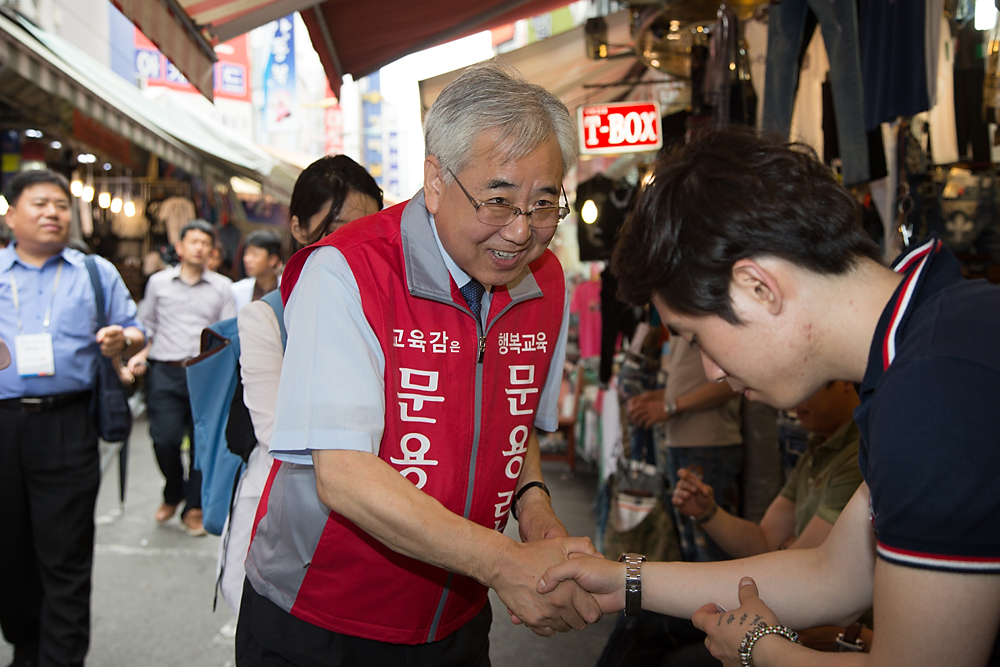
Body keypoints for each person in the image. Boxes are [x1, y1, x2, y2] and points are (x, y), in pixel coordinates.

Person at [538, 126, 1000, 667]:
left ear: (758, 286)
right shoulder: (929, 337)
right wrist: (626, 581)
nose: (711, 372)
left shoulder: (935, 386)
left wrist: (762, 650)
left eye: (695, 336)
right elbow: (835, 572)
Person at [237, 62, 601, 666]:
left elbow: (513, 426)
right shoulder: (345, 272)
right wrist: (505, 561)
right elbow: (344, 473)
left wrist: (535, 511)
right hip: (324, 619)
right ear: (435, 180)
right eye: (498, 200)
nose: (521, 231)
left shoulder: (546, 283)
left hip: (456, 617)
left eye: (543, 204)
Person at [215, 155, 384, 616]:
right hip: (286, 503)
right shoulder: (266, 315)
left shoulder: (387, 306)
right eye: (337, 227)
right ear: (299, 228)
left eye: (369, 226)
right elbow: (276, 432)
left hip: (374, 502)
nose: (354, 241)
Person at [596, 381, 865, 667]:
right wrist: (708, 513)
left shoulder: (859, 459)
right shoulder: (819, 448)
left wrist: (627, 580)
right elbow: (766, 541)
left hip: (805, 621)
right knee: (642, 623)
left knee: (655, 637)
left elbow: (810, 574)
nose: (794, 396)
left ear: (846, 382)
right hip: (787, 609)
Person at [0, 170, 145, 667]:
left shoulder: (93, 271)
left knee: (65, 554)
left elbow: (136, 331)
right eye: (39, 203)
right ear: (11, 213)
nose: (52, 213)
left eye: (61, 205)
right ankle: (27, 645)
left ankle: (61, 659)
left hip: (68, 424)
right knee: (10, 550)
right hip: (3, 426)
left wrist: (121, 340)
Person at [135, 219, 236, 536]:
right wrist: (139, 353)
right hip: (165, 370)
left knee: (201, 444)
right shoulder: (158, 283)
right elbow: (146, 324)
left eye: (205, 243)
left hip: (205, 375)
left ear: (211, 250)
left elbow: (228, 336)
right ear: (179, 247)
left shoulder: (222, 287)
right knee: (163, 438)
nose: (199, 247)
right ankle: (173, 491)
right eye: (193, 241)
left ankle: (194, 506)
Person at [628, 336, 742, 562]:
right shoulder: (685, 318)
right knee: (689, 546)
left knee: (710, 550)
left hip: (708, 444)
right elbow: (691, 380)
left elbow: (734, 381)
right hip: (682, 442)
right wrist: (659, 399)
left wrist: (670, 407)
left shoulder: (709, 316)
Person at [230, 230, 282, 311]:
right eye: (246, 253)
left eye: (255, 254)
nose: (247, 259)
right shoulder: (236, 290)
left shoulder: (289, 290)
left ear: (272, 259)